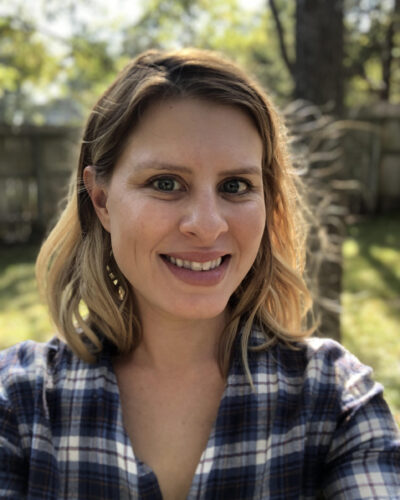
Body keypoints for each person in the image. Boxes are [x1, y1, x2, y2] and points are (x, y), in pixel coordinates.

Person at [0, 48, 399, 500]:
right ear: (102, 200)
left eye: (235, 186)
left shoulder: (335, 400)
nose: (208, 225)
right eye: (166, 183)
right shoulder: (20, 402)